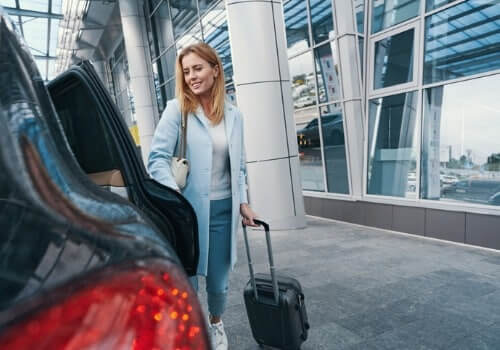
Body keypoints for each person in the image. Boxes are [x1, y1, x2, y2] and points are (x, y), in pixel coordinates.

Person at [147, 42, 258, 350]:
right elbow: (156, 158)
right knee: (189, 279)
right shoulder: (177, 110)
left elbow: (238, 166)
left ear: (215, 69)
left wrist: (243, 202)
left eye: (197, 68)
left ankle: (215, 324)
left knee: (219, 281)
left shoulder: (234, 116)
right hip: (188, 211)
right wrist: (174, 197)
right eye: (186, 71)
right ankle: (192, 330)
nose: (192, 76)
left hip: (224, 210)